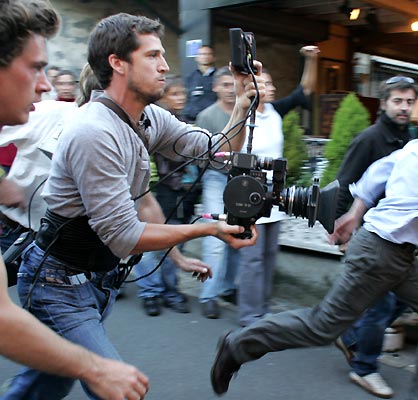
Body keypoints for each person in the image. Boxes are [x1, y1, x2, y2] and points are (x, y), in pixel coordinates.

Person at [210, 82, 418, 400]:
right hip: (380, 254)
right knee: (322, 327)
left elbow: (380, 171)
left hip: (398, 256)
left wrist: (355, 213)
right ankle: (237, 345)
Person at [4, 12, 262, 399]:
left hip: (98, 282)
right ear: (117, 63)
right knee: (116, 389)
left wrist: (242, 104)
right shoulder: (94, 132)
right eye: (153, 56)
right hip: (57, 285)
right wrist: (209, 228)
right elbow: (124, 234)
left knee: (43, 385)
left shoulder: (148, 118)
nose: (165, 66)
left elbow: (220, 150)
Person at [0, 1, 149, 399]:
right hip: (45, 261)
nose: (47, 84)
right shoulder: (68, 122)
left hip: (79, 270)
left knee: (47, 379)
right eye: (35, 67)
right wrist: (96, 367)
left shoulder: (127, 130)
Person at [333, 75, 418, 398]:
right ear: (383, 103)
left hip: (398, 236)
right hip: (370, 234)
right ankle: (364, 368)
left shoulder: (410, 139)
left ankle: (352, 337)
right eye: (398, 101)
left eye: (409, 102)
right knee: (381, 305)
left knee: (405, 297)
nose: (404, 107)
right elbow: (344, 184)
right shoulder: (370, 139)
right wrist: (341, 231)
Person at [234, 45, 319, 327]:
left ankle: (263, 310)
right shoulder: (244, 116)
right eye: (263, 83)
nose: (269, 88)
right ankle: (248, 315)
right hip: (249, 194)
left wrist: (311, 58)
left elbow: (305, 90)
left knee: (269, 255)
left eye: (271, 83)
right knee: (252, 258)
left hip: (275, 195)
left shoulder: (276, 112)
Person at [134, 76, 202, 316]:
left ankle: (170, 290)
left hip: (183, 194)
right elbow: (169, 161)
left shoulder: (185, 122)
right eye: (175, 94)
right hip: (160, 193)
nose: (181, 98)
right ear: (163, 96)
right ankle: (150, 292)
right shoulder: (155, 123)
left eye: (183, 93)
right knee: (151, 244)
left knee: (177, 243)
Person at [195, 66, 240, 318]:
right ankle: (208, 294)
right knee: (214, 238)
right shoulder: (206, 116)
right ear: (215, 87)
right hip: (215, 178)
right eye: (225, 84)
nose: (230, 90)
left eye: (233, 84)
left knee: (238, 236)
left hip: (241, 180)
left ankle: (227, 286)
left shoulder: (244, 112)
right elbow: (201, 154)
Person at [182, 45, 217, 122]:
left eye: (208, 54)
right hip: (191, 121)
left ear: (214, 57)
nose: (205, 56)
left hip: (212, 120)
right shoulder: (190, 77)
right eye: (202, 54)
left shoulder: (219, 77)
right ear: (196, 57)